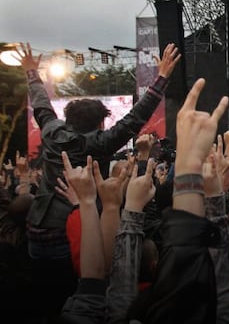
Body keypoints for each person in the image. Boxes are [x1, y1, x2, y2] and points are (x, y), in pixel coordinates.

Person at [16, 42, 181, 318]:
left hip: (35, 227)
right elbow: (134, 119)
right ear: (99, 125)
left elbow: (42, 107)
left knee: (44, 297)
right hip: (70, 231)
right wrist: (162, 78)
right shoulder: (99, 143)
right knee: (85, 291)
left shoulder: (52, 131)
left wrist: (32, 74)